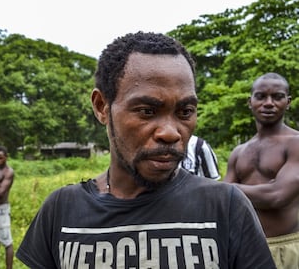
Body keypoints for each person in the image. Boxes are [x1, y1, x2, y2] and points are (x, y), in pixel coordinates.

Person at [16, 32, 275, 268]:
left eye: (185, 112)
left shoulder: (225, 207)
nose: (170, 132)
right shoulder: (61, 210)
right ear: (102, 107)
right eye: (147, 111)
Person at [224, 72, 299, 268]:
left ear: (288, 102)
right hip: (247, 248)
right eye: (261, 96)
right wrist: (263, 189)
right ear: (250, 102)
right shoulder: (239, 152)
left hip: (288, 247)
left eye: (277, 96)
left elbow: (277, 196)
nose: (268, 103)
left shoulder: (295, 144)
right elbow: (224, 200)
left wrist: (231, 189)